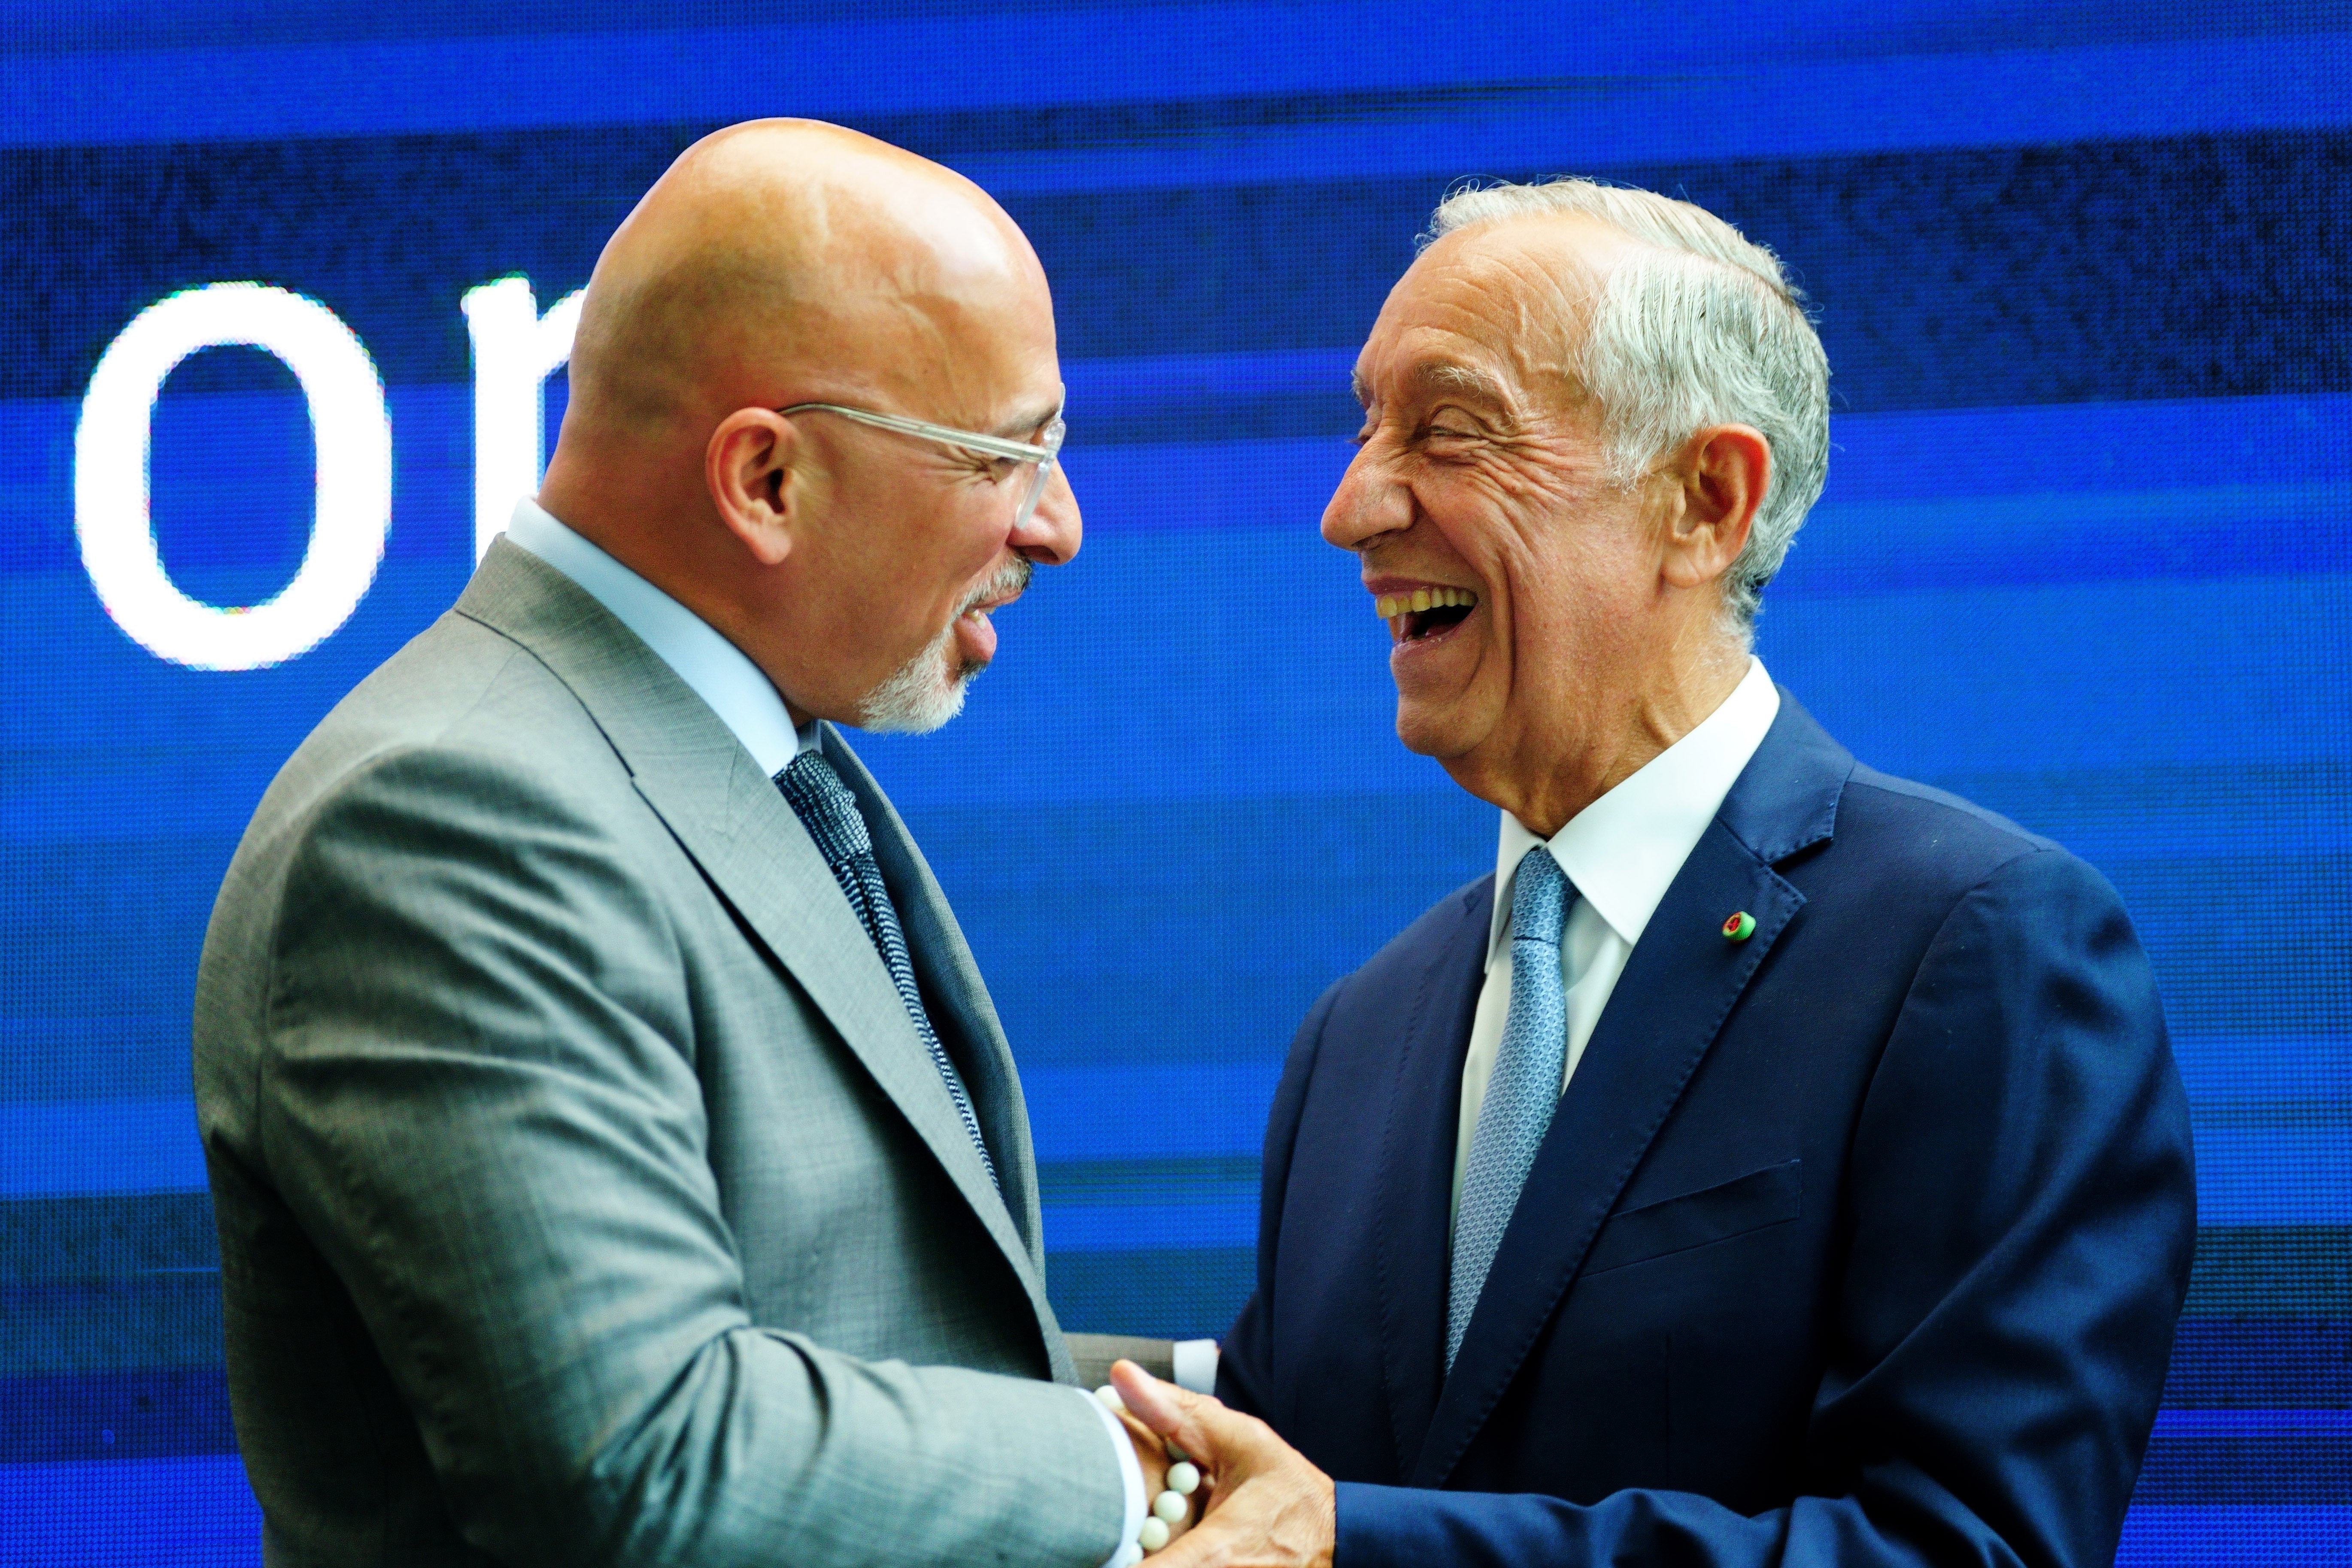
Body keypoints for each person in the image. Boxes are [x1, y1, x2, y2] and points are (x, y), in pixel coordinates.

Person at [1102, 179, 2196, 1568]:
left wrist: (1358, 1551)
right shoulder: (1358, 1038)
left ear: (1705, 501)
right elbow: (1281, 1466)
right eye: (1365, 427)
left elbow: (1968, 1547)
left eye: (1447, 428)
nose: (1352, 507)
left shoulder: (1980, 949)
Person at [193, 120, 1189, 1566]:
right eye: (1006, 456)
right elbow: (648, 1454)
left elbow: (875, 1339)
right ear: (767, 482)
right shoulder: (446, 821)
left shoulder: (718, 752)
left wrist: (1251, 1405)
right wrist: (1139, 1474)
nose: (1060, 525)